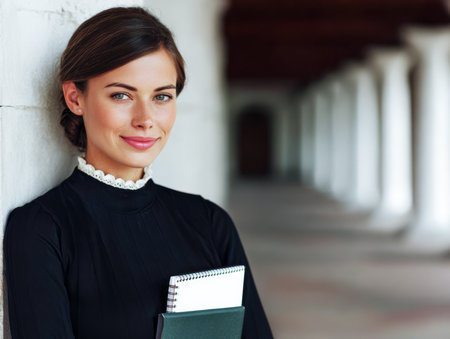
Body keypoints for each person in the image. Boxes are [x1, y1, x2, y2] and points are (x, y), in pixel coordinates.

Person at [3, 6, 273, 339]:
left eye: (161, 96)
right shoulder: (42, 229)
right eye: (121, 95)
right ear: (75, 98)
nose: (145, 118)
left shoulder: (210, 222)